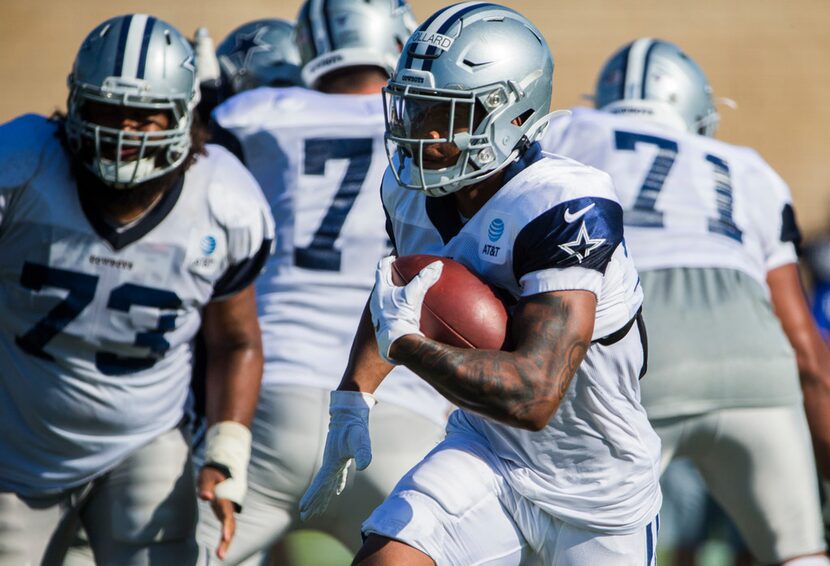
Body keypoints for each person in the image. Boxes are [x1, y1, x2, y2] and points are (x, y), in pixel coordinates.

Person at [300, 3, 662, 564]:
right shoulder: (408, 192)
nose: (423, 132)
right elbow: (405, 293)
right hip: (487, 450)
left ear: (512, 115)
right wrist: (354, 394)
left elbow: (535, 395)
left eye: (448, 114)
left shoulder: (564, 204)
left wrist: (410, 350)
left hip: (599, 487)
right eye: (417, 109)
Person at [542, 38, 830, 565]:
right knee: (801, 556)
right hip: (758, 362)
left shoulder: (565, 131)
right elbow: (805, 345)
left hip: (636, 354)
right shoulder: (749, 167)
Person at [0, 14, 274, 565]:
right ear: (77, 103)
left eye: (145, 118)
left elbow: (236, 341)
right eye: (107, 110)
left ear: (183, 116)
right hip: (18, 445)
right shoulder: (21, 166)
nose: (123, 133)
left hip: (145, 441)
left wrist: (227, 450)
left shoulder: (225, 200)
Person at [198, 1, 451, 563]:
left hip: (270, 397)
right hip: (397, 403)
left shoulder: (254, 113)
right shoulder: (433, 124)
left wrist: (204, 99)